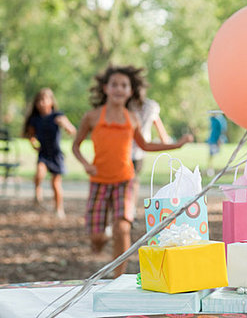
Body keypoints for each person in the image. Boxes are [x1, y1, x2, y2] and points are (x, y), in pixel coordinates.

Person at [72, 65, 193, 277]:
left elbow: (145, 146)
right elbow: (76, 145)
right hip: (99, 180)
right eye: (115, 85)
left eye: (124, 85)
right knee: (96, 237)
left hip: (125, 180)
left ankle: (118, 277)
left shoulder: (133, 118)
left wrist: (177, 145)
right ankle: (102, 239)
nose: (119, 89)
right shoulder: (92, 117)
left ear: (130, 91)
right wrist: (85, 164)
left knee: (122, 228)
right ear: (105, 88)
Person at [23, 88, 77, 218]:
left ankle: (59, 208)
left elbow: (72, 130)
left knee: (55, 183)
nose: (41, 103)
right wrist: (34, 145)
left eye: (44, 100)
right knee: (39, 173)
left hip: (56, 154)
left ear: (51, 102)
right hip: (43, 153)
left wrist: (64, 124)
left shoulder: (57, 116)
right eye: (39, 101)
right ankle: (38, 193)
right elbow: (30, 134)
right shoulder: (35, 119)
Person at [129, 89, 171, 214]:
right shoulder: (127, 104)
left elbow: (158, 125)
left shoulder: (150, 106)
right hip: (128, 149)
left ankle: (131, 211)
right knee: (132, 182)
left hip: (138, 150)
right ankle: (130, 211)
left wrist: (165, 141)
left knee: (133, 181)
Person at [206, 111, 227, 177]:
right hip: (212, 139)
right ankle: (210, 169)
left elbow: (222, 130)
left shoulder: (219, 120)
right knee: (211, 155)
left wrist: (219, 140)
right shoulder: (213, 120)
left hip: (216, 140)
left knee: (215, 154)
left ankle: (214, 169)